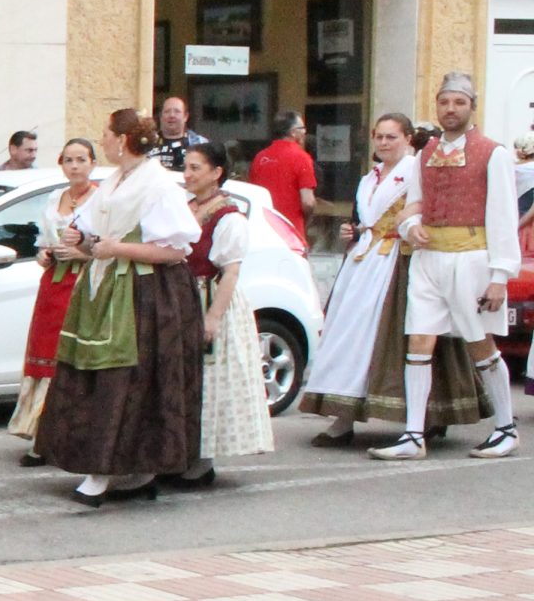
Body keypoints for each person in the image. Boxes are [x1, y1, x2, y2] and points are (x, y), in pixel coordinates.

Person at [34, 110, 205, 507]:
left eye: (107, 134)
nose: (104, 141)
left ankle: (112, 472)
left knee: (128, 380)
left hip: (147, 292)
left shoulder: (157, 184)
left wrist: (115, 248)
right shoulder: (114, 182)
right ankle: (126, 470)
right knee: (99, 375)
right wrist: (81, 240)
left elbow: (175, 250)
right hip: (108, 286)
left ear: (124, 140)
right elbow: (96, 236)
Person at [303, 113, 485, 443]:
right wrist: (354, 230)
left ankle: (429, 413)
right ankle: (343, 415)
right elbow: (364, 220)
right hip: (364, 264)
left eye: (392, 137)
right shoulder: (368, 179)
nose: (384, 143)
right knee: (349, 335)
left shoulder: (419, 171)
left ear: (408, 139)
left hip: (404, 262)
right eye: (380, 137)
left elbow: (435, 211)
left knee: (413, 339)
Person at [371, 73, 519, 460]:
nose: (450, 109)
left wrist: (500, 276)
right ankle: (413, 435)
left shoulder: (493, 153)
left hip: (471, 258)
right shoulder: (426, 153)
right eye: (444, 102)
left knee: (479, 343)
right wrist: (410, 227)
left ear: (472, 106)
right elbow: (414, 203)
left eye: (458, 102)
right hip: (428, 259)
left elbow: (503, 216)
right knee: (419, 340)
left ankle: (506, 428)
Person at [173, 142, 275, 486]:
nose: (187, 174)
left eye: (195, 168)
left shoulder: (228, 216)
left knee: (210, 381)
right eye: (186, 167)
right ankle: (183, 454)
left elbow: (230, 271)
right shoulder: (187, 207)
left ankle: (202, 462)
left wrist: (213, 317)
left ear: (216, 172)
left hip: (210, 297)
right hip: (183, 297)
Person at [7, 138, 101, 462]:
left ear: (92, 163)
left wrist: (80, 253)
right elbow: (43, 243)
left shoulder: (100, 200)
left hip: (85, 283)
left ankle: (73, 434)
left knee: (72, 355)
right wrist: (45, 255)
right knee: (45, 352)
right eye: (69, 160)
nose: (75, 166)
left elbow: (108, 246)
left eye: (81, 159)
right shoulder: (53, 198)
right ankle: (40, 433)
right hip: (53, 283)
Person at [248, 110, 319, 246]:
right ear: (293, 132)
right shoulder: (301, 157)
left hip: (262, 232)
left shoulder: (260, 157)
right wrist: (307, 218)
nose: (305, 132)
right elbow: (308, 202)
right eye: (302, 128)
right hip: (291, 233)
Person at [151, 96, 207, 174]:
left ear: (185, 116)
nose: (172, 115)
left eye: (177, 111)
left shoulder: (201, 144)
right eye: (167, 111)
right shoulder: (149, 142)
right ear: (161, 116)